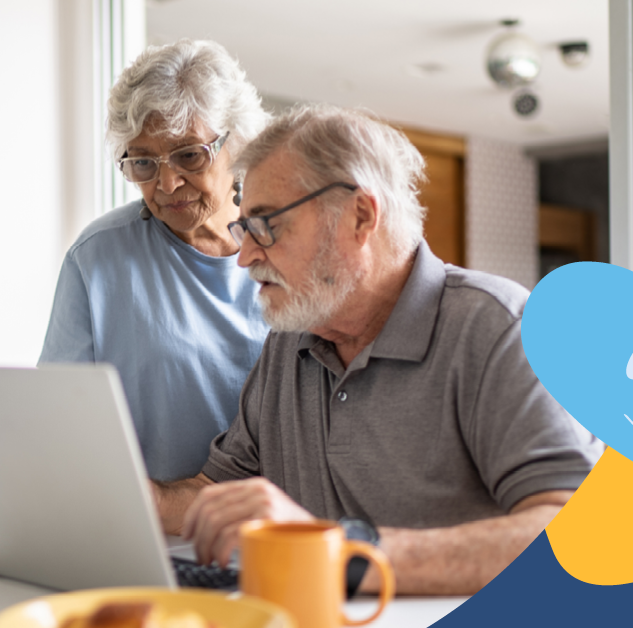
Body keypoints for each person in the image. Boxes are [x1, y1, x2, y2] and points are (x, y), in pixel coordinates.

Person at [152, 104, 602, 595]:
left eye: (266, 226)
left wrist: (339, 551)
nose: (245, 256)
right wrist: (129, 499)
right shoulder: (289, 343)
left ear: (360, 216)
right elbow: (217, 493)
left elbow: (572, 533)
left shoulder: (500, 328)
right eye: (245, 228)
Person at [40, 40, 271, 482]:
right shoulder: (98, 259)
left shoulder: (284, 244)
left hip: (281, 527)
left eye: (188, 155)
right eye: (144, 162)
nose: (166, 183)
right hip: (154, 527)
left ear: (237, 144)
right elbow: (60, 425)